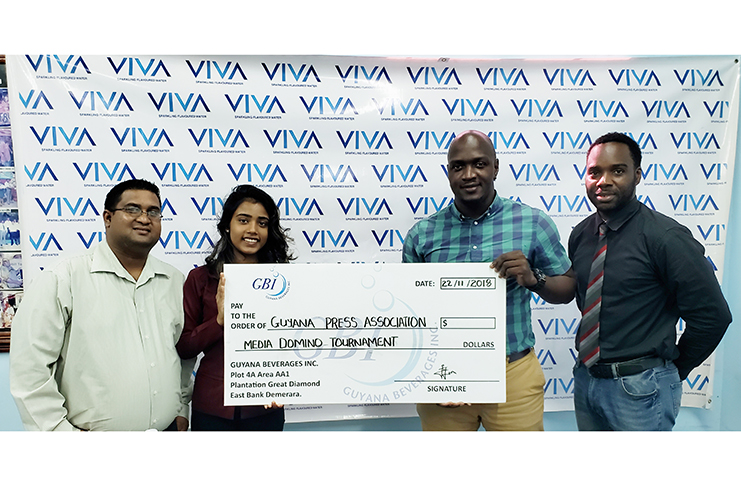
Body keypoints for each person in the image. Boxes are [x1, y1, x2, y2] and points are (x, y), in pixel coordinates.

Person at [402, 130, 576, 431]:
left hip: (513, 374)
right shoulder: (422, 235)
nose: (469, 174)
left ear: (495, 167)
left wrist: (534, 279)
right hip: (445, 374)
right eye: (458, 166)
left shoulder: (533, 222)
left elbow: (567, 289)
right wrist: (430, 376)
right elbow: (409, 314)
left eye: (479, 164)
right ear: (448, 172)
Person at [568, 132, 732, 431]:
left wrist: (672, 370)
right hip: (586, 381)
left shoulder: (665, 238)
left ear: (637, 175)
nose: (603, 180)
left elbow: (713, 316)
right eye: (595, 172)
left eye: (617, 171)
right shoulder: (581, 234)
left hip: (641, 389)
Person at [9, 179, 194, 431]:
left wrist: (181, 408)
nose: (144, 218)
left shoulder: (173, 281)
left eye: (153, 212)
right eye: (132, 209)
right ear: (108, 218)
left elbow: (183, 355)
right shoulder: (64, 278)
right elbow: (30, 370)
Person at [176, 184, 294, 431]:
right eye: (243, 220)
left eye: (262, 223)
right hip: (211, 406)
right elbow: (185, 347)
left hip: (266, 405)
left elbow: (296, 340)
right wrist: (219, 321)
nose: (253, 230)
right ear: (227, 226)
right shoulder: (200, 279)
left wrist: (288, 381)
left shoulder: (286, 282)